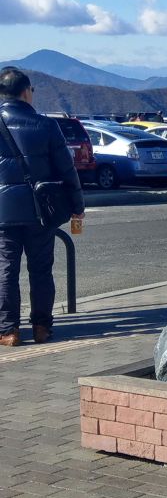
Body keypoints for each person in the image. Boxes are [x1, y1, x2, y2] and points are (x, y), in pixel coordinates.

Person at [0, 67, 85, 347]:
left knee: (5, 270)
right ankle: (41, 328)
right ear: (26, 92)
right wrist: (77, 205)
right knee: (41, 270)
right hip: (40, 211)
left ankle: (8, 331)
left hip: (3, 213)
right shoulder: (47, 126)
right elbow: (67, 170)